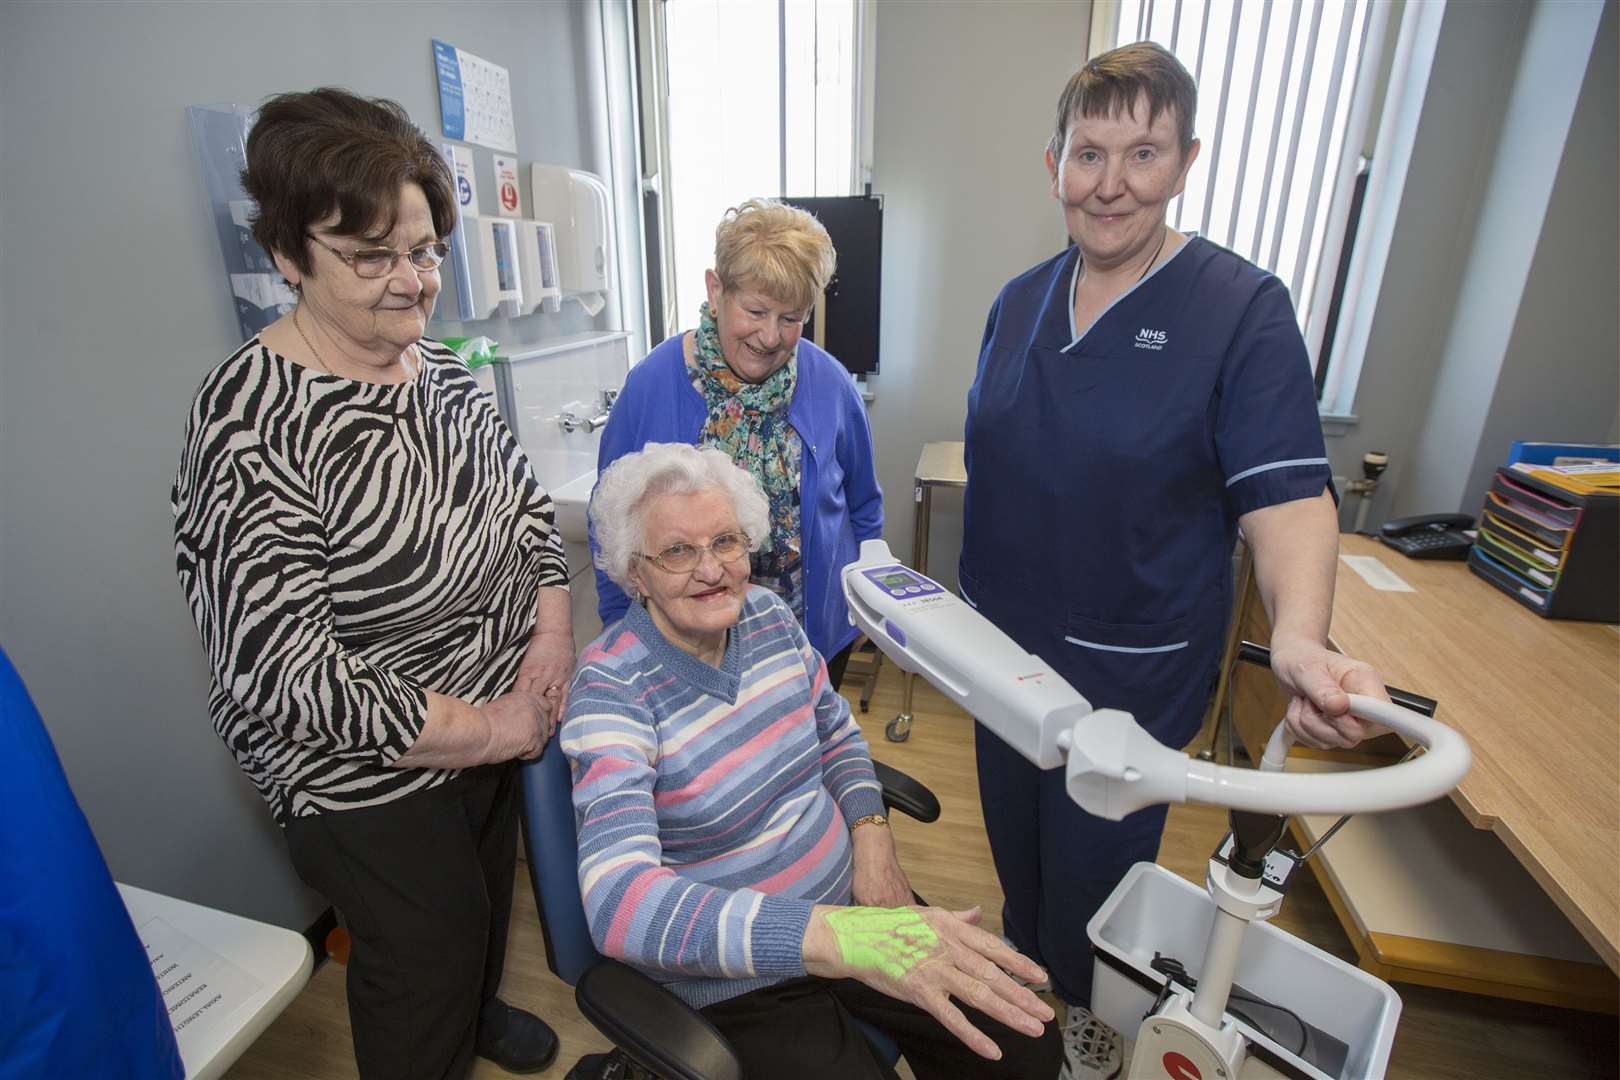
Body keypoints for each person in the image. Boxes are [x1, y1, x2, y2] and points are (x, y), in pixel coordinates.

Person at [960, 44, 1392, 1080]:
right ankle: (1039, 1028)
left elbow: (1287, 494)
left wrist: (1299, 637)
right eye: (1088, 153)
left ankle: (1091, 1038)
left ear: (1187, 160)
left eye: (1143, 153)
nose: (1111, 182)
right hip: (1002, 665)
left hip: (1128, 674)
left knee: (1094, 893)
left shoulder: (1239, 310)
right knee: (1020, 875)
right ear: (1053, 162)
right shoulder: (1018, 302)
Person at [171, 88, 571, 1080]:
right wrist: (494, 729)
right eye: (373, 256)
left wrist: (550, 638)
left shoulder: (435, 369)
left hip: (489, 721)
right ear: (287, 255)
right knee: (419, 958)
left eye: (427, 250)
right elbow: (288, 673)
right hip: (362, 772)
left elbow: (525, 508)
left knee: (478, 908)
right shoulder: (250, 423)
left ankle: (474, 1011)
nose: (412, 282)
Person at [563, 443, 1062, 1079]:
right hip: (738, 977)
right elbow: (619, 905)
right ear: (635, 573)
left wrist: (873, 839)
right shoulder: (611, 688)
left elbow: (837, 736)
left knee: (1026, 1042)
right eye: (678, 551)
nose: (712, 569)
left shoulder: (769, 617)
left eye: (727, 541)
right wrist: (834, 937)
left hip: (855, 907)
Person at [593, 199, 882, 687]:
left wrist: (858, 605)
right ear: (715, 289)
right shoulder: (651, 386)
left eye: (792, 318)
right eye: (755, 310)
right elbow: (608, 527)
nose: (770, 336)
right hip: (681, 648)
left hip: (809, 642)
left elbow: (863, 506)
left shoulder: (830, 386)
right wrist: (622, 632)